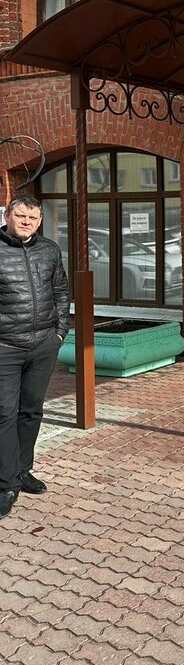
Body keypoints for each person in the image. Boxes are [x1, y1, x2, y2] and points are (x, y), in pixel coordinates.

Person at [0, 195, 69, 518]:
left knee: (31, 411)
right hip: (5, 347)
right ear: (7, 215)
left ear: (40, 221)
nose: (27, 222)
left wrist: (60, 332)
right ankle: (6, 483)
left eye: (33, 218)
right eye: (21, 216)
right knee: (4, 414)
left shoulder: (50, 250)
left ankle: (22, 470)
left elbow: (61, 292)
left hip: (43, 345)